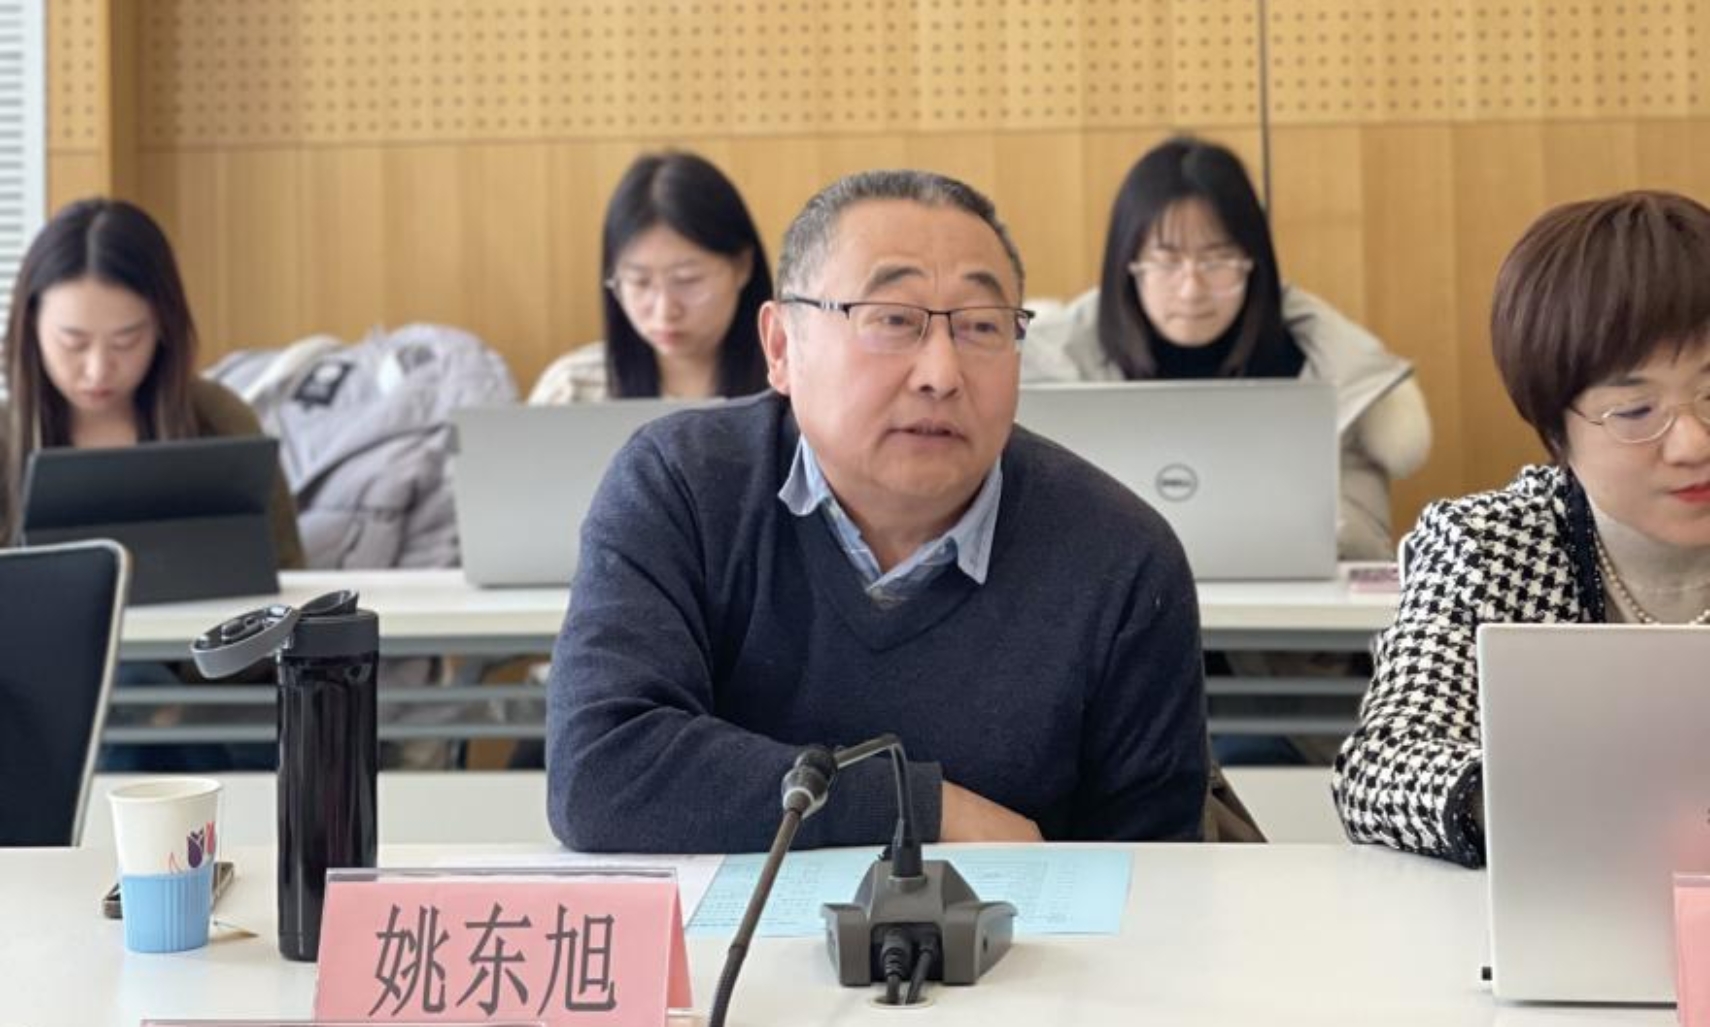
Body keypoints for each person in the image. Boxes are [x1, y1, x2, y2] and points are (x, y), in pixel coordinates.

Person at [546, 169, 1211, 853]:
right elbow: (600, 768)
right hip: (734, 928)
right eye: (893, 320)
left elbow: (1158, 872)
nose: (941, 374)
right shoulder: (681, 486)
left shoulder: (1120, 556)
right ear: (781, 347)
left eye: (982, 326)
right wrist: (921, 809)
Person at [1333, 190, 1710, 868]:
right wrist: (1548, 800)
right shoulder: (1487, 545)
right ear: (1556, 431)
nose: (1691, 443)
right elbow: (1380, 768)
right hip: (1567, 902)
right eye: (1636, 411)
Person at [1022, 136, 1430, 562]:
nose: (1191, 288)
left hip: (1286, 602)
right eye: (1166, 261)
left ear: (1254, 262)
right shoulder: (1056, 367)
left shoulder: (1331, 370)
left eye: (1217, 259)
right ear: (1128, 264)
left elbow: (1364, 545)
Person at [1, 197, 302, 566]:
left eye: (126, 341)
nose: (98, 370)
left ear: (163, 327)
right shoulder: (5, 439)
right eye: (73, 342)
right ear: (31, 326)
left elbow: (289, 575)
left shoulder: (220, 421)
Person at [529, 151, 772, 404]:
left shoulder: (790, 380)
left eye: (687, 279)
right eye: (640, 282)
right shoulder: (572, 389)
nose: (664, 311)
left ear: (742, 267)